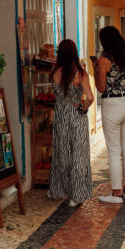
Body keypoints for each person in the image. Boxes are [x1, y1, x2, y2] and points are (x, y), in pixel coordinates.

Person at [49, 39, 93, 206]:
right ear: (74, 54)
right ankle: (76, 196)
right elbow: (89, 97)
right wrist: (83, 107)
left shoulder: (54, 73)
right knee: (79, 155)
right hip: (76, 115)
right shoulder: (80, 74)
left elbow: (55, 94)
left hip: (60, 116)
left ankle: (60, 190)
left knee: (63, 153)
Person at [94, 25, 125, 204]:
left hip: (111, 103)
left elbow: (101, 87)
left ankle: (116, 192)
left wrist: (96, 69)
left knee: (113, 150)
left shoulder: (104, 60)